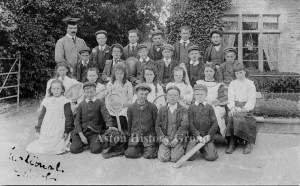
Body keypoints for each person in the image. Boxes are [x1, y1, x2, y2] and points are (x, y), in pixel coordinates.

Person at [26, 79, 74, 155]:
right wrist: (38, 129)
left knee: (57, 146)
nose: (56, 90)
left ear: (62, 90)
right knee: (43, 146)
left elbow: (69, 117)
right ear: (50, 90)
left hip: (59, 126)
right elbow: (41, 116)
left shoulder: (65, 101)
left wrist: (67, 131)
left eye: (58, 88)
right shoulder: (47, 101)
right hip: (47, 125)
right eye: (54, 88)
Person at [70, 82, 114, 154]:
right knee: (74, 149)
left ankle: (95, 142)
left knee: (96, 150)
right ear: (84, 92)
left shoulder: (100, 102)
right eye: (87, 92)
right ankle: (83, 143)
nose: (89, 94)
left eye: (91, 92)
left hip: (94, 131)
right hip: (82, 131)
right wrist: (81, 136)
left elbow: (106, 115)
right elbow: (77, 121)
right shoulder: (81, 104)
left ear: (95, 91)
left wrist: (109, 127)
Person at [103, 62, 133, 158]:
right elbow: (107, 97)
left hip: (123, 107)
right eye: (117, 73)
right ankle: (113, 142)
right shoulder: (110, 83)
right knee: (111, 120)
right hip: (112, 107)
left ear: (124, 74)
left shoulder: (128, 84)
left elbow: (130, 98)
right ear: (114, 74)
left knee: (122, 118)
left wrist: (125, 104)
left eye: (121, 73)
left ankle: (122, 142)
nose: (119, 76)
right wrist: (110, 105)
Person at [226, 63, 256, 154]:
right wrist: (232, 107)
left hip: (246, 107)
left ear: (245, 72)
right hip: (234, 106)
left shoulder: (250, 84)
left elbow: (251, 99)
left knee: (242, 117)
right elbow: (230, 97)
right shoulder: (233, 83)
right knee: (231, 117)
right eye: (237, 73)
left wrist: (245, 108)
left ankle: (247, 142)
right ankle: (232, 142)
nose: (239, 75)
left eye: (241, 72)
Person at [186, 84, 218, 161]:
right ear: (194, 95)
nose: (199, 96)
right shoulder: (191, 107)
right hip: (195, 137)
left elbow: (214, 123)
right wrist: (197, 136)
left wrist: (209, 135)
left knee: (211, 157)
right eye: (197, 94)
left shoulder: (209, 107)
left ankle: (204, 148)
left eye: (202, 94)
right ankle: (195, 146)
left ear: (206, 95)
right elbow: (190, 124)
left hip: (206, 137)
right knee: (189, 157)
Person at [156, 85, 189, 162]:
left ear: (179, 97)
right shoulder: (162, 110)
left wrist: (177, 139)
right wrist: (163, 138)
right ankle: (165, 148)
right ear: (166, 96)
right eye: (170, 95)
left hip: (177, 139)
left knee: (175, 158)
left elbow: (184, 126)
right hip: (166, 138)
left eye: (175, 95)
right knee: (163, 158)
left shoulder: (183, 110)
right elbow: (157, 126)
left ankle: (179, 148)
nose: (172, 97)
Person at [125, 83, 158, 159]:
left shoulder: (152, 107)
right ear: (136, 93)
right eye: (141, 94)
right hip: (135, 135)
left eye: (146, 94)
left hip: (149, 135)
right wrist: (130, 136)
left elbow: (156, 122)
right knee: (130, 154)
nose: (143, 96)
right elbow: (129, 123)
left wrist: (156, 137)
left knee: (149, 155)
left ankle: (148, 147)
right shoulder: (131, 108)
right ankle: (139, 147)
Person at [196, 63, 227, 137]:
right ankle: (201, 135)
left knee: (215, 113)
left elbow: (223, 97)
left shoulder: (218, 84)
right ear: (203, 72)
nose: (208, 73)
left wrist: (217, 101)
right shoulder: (199, 83)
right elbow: (196, 96)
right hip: (202, 104)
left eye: (210, 71)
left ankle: (211, 135)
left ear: (214, 72)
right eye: (206, 71)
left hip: (215, 105)